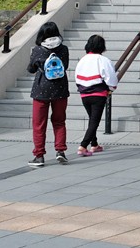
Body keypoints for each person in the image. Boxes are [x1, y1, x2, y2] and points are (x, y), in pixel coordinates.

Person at [27, 22, 70, 166]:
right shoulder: (63, 49)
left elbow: (31, 69)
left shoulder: (38, 50)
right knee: (59, 121)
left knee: (39, 124)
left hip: (41, 90)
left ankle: (39, 156)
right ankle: (60, 151)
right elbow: (66, 66)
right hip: (60, 89)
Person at [75, 35, 118, 157]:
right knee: (94, 121)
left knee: (92, 119)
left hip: (84, 93)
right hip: (98, 93)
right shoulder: (103, 60)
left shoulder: (82, 60)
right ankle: (83, 146)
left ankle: (94, 144)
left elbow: (77, 77)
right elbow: (111, 79)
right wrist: (111, 88)